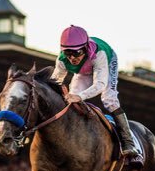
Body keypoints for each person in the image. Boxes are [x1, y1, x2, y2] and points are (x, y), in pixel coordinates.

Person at [51, 25, 139, 159]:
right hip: (84, 70)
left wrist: (80, 96)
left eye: (76, 53)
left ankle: (128, 142)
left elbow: (100, 84)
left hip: (106, 63)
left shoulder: (99, 54)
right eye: (68, 53)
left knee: (109, 100)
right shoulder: (62, 60)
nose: (72, 58)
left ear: (85, 48)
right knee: (70, 100)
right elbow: (54, 82)